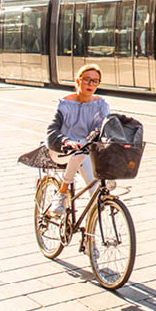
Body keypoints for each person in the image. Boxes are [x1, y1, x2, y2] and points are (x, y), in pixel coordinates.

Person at [46, 63, 111, 215]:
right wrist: (66, 141)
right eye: (87, 79)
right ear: (78, 81)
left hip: (86, 150)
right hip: (62, 150)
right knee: (80, 153)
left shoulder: (101, 105)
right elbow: (51, 130)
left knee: (96, 194)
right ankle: (62, 193)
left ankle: (91, 235)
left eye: (95, 81)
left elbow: (106, 127)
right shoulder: (65, 104)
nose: (91, 84)